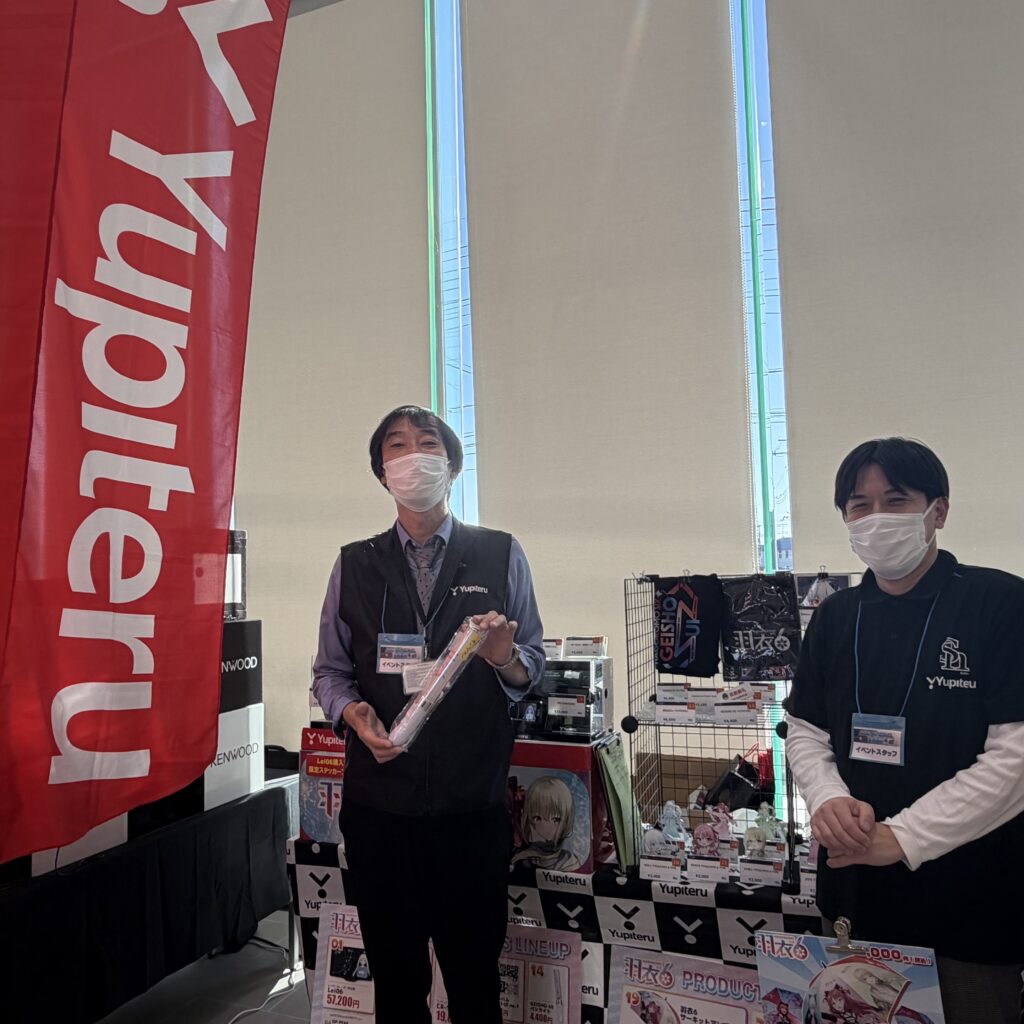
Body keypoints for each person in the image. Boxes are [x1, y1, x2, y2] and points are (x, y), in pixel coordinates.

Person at [312, 405, 545, 1024]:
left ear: (451, 465)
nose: (412, 455)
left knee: (474, 984)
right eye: (397, 445)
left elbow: (533, 667)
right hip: (380, 810)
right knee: (396, 984)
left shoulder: (499, 553)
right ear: (381, 471)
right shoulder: (354, 564)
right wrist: (352, 713)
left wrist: (504, 658)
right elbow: (329, 672)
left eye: (427, 444)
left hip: (470, 808)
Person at [786, 437, 1024, 1023]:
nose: (876, 518)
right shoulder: (835, 616)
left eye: (895, 501)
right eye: (859, 506)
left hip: (970, 908)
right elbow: (806, 729)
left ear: (937, 511)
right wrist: (827, 797)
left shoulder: (999, 603)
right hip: (854, 898)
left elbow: (1015, 755)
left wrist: (902, 836)